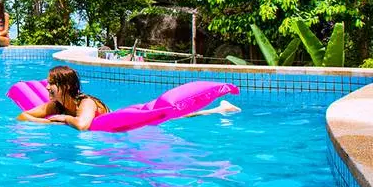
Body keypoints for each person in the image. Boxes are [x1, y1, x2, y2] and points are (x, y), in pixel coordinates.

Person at [18, 65, 240, 131]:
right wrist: (47, 121)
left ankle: (219, 109)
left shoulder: (83, 103)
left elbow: (83, 126)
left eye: (51, 83)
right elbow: (22, 116)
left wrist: (65, 119)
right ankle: (218, 109)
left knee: (172, 117)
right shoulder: (56, 105)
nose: (47, 87)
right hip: (103, 123)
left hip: (119, 122)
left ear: (65, 86)